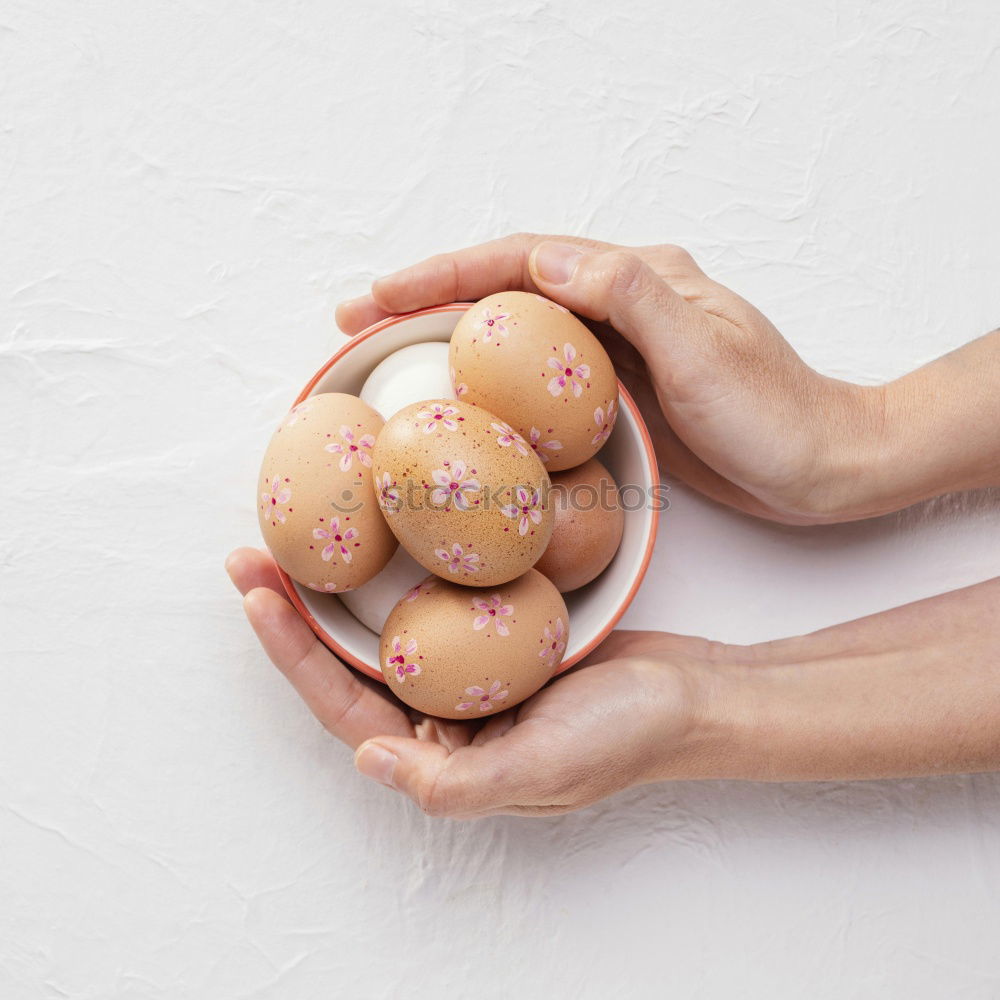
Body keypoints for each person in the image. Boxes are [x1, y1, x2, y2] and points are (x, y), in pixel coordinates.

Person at [226, 234, 1000, 819]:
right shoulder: (434, 459)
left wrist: (700, 712)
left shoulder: (496, 484)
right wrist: (852, 440)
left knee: (539, 516)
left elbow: (475, 483)